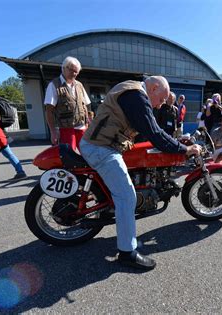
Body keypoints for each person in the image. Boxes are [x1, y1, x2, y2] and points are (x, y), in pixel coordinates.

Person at [79, 76, 202, 270]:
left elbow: (147, 130)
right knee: (127, 196)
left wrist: (174, 141)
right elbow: (154, 133)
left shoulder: (131, 90)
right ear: (153, 88)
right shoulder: (137, 95)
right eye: (161, 99)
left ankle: (124, 229)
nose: (161, 105)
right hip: (101, 148)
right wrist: (183, 149)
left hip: (106, 144)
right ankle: (127, 253)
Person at [44, 56, 91, 150]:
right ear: (64, 68)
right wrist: (53, 132)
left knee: (89, 154)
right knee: (69, 157)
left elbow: (86, 106)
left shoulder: (79, 85)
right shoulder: (54, 85)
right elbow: (49, 111)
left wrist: (89, 124)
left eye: (76, 71)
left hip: (82, 127)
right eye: (72, 70)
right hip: (65, 129)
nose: (74, 74)